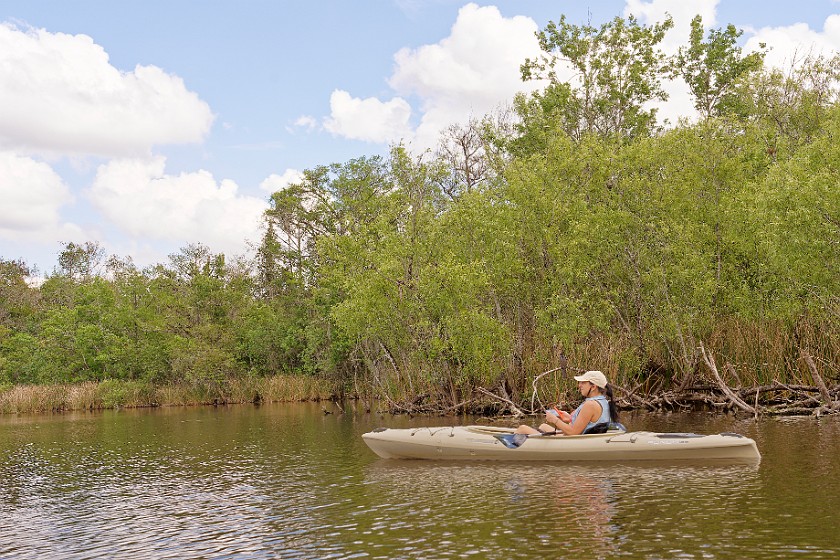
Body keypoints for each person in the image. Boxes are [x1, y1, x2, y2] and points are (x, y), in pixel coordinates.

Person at [515, 370, 621, 435]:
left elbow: (573, 432)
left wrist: (555, 420)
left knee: (522, 428)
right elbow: (589, 424)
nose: (579, 385)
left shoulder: (591, 405)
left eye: (583, 383)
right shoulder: (603, 401)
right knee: (543, 426)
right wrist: (570, 418)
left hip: (576, 441)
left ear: (593, 387)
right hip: (580, 438)